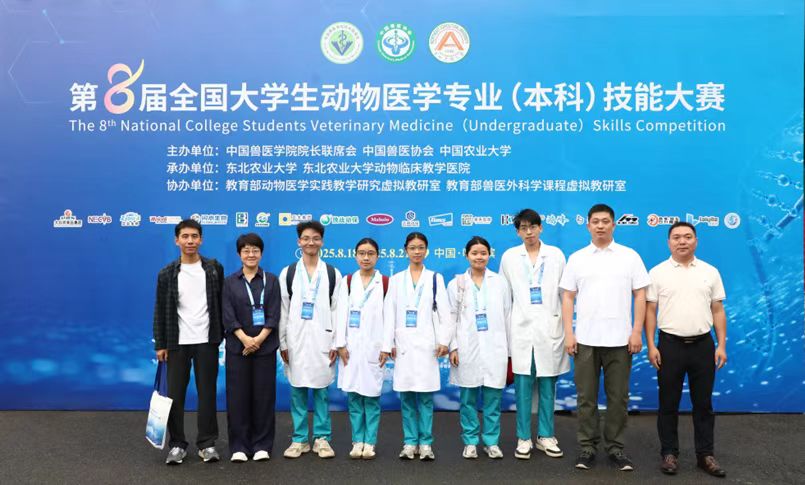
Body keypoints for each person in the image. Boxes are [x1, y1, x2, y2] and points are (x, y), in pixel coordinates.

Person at [559, 204, 650, 472]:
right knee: (586, 398)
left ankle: (616, 448)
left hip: (620, 340)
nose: (600, 225)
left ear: (614, 224)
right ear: (588, 225)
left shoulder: (629, 256)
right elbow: (568, 297)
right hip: (585, 340)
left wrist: (636, 331)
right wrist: (569, 333)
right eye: (596, 221)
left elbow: (640, 295)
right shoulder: (577, 258)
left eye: (605, 221)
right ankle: (587, 447)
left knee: (618, 398)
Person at [645, 222, 728, 477]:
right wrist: (651, 345)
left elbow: (717, 310)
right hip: (669, 346)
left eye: (688, 237)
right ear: (669, 242)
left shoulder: (710, 272)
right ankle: (669, 453)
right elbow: (650, 311)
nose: (682, 241)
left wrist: (721, 345)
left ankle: (705, 455)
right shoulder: (657, 273)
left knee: (703, 404)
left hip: (703, 346)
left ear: (696, 241)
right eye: (677, 237)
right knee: (668, 403)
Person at [499, 209, 570, 460]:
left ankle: (546, 436)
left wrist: (566, 329)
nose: (528, 232)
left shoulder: (556, 255)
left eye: (533, 227)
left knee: (548, 385)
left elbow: (565, 294)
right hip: (520, 330)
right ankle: (523, 437)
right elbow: (504, 297)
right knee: (523, 387)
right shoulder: (509, 257)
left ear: (541, 228)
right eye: (523, 228)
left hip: (549, 329)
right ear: (518, 232)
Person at [153, 219, 224, 465]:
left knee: (207, 394)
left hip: (207, 341)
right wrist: (160, 344)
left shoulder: (213, 269)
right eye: (185, 236)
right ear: (177, 240)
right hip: (177, 343)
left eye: (194, 236)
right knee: (175, 396)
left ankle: (207, 444)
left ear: (201, 239)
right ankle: (177, 445)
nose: (190, 241)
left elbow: (221, 303)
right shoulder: (166, 273)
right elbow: (160, 309)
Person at [382, 232, 453, 461]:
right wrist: (388, 343)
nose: (417, 252)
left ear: (426, 250)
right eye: (412, 248)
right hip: (403, 346)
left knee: (425, 398)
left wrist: (444, 341)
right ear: (406, 250)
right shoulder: (396, 280)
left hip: (426, 345)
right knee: (407, 398)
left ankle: (426, 444)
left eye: (421, 247)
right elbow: (389, 313)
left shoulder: (434, 279)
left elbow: (445, 314)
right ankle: (410, 442)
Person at [279, 221, 346, 459]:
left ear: (322, 242)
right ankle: (299, 439)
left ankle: (322, 438)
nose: (311, 242)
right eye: (306, 238)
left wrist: (336, 342)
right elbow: (283, 310)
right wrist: (283, 342)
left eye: (315, 238)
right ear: (299, 241)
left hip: (322, 339)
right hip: (295, 340)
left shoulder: (332, 273)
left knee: (321, 391)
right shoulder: (288, 273)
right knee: (297, 389)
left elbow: (338, 310)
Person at [447, 236, 511, 460]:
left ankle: (491, 442)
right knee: (468, 399)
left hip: (495, 347)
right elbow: (451, 318)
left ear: (489, 255)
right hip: (467, 348)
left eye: (483, 253)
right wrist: (453, 347)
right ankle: (470, 441)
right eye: (474, 253)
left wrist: (509, 351)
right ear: (467, 255)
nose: (479, 257)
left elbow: (507, 316)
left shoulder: (499, 282)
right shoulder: (456, 284)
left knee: (493, 398)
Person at [221, 233, 281, 462]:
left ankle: (262, 445)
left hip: (265, 349)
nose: (251, 254)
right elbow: (228, 315)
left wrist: (258, 340)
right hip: (238, 349)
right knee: (238, 398)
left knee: (264, 398)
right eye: (246, 250)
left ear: (261, 253)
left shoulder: (271, 280)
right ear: (239, 254)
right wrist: (245, 339)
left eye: (255, 250)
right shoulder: (229, 282)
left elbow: (274, 314)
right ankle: (239, 446)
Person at [336, 238, 388, 460]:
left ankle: (370, 442)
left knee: (372, 397)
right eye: (362, 253)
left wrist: (386, 346)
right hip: (351, 348)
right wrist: (340, 344)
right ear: (355, 255)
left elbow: (389, 317)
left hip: (374, 348)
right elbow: (340, 314)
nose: (366, 258)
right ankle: (357, 441)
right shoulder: (348, 281)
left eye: (371, 253)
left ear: (377, 256)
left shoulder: (384, 283)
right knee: (355, 396)